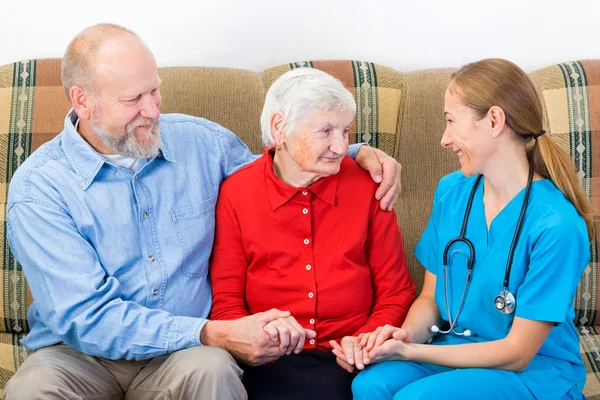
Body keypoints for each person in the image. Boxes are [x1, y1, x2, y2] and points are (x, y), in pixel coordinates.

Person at [3, 23, 403, 399]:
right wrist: (213, 332)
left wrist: (354, 155)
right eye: (133, 100)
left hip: (185, 355)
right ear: (82, 101)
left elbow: (274, 173)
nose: (153, 110)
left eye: (154, 91)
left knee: (215, 371)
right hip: (79, 356)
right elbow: (87, 318)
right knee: (31, 392)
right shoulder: (40, 189)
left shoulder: (201, 143)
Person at [342, 58, 593, 400]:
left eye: (451, 121)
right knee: (370, 385)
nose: (445, 139)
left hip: (531, 371)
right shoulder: (453, 191)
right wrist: (404, 337)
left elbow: (518, 353)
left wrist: (413, 353)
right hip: (456, 347)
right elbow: (431, 298)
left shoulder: (556, 224)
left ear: (493, 120)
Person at [208, 68, 416, 399]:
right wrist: (259, 334)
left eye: (346, 130)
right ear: (280, 127)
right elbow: (226, 302)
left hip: (352, 359)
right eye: (325, 131)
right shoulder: (237, 192)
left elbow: (396, 291)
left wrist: (364, 340)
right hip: (268, 361)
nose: (340, 145)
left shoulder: (369, 185)